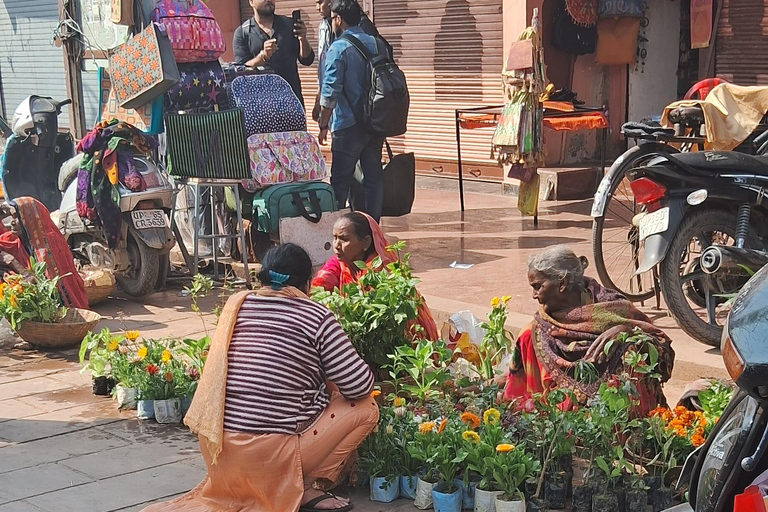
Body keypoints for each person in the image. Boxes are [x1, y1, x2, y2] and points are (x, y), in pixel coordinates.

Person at [142, 244, 378, 512]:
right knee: (366, 407)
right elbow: (360, 386)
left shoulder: (237, 305)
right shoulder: (316, 316)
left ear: (262, 278)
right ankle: (306, 487)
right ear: (307, 284)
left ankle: (266, 485)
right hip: (269, 457)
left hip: (220, 452)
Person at [503, 245, 674, 415]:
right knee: (528, 336)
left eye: (538, 286)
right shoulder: (537, 332)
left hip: (622, 420)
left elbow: (661, 347)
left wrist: (626, 331)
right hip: (563, 428)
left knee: (628, 350)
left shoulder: (611, 306)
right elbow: (515, 381)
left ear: (562, 283)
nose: (534, 295)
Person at [312, 212, 439, 341]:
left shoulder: (380, 273)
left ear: (365, 242)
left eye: (344, 239)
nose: (336, 245)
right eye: (334, 238)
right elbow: (315, 290)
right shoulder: (341, 263)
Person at [317, 0, 386, 222]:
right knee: (373, 177)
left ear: (338, 19)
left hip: (347, 126)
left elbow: (330, 93)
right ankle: (372, 230)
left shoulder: (338, 48)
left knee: (340, 181)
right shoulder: (377, 44)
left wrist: (323, 124)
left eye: (332, 18)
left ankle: (338, 231)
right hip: (374, 123)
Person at [0, 198, 88, 309]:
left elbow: (47, 286)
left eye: (16, 217)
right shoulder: (13, 240)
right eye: (11, 217)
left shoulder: (49, 244)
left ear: (30, 219)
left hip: (54, 304)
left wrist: (13, 263)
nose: (11, 222)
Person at [233, 0, 315, 107]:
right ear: (251, 2)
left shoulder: (289, 25)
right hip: (260, 105)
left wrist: (303, 39)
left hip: (291, 101)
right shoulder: (242, 33)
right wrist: (263, 56)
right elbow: (241, 71)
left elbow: (307, 60)